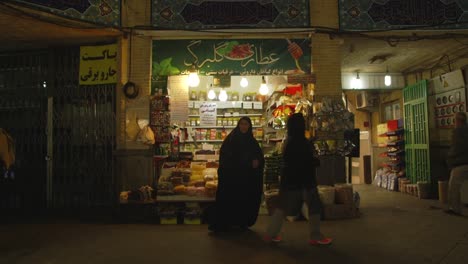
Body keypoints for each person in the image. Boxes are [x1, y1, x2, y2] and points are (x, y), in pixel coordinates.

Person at [265, 113, 332, 245]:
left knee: (282, 207)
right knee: (314, 206)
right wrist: (315, 162)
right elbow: (304, 162)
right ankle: (316, 236)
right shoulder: (301, 142)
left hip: (289, 181)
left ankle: (270, 234)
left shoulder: (289, 141)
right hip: (304, 181)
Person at [208, 116, 264, 232]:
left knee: (244, 201)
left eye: (246, 124)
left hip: (246, 179)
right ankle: (227, 223)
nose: (244, 126)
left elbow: (258, 156)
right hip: (232, 178)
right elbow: (225, 156)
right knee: (231, 200)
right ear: (238, 125)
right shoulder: (231, 139)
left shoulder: (252, 142)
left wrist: (257, 161)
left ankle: (242, 222)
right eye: (242, 124)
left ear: (249, 126)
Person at [445, 112, 468, 216]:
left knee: (454, 187)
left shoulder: (457, 132)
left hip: (460, 162)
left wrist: (449, 159)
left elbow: (455, 148)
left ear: (457, 121)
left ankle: (455, 209)